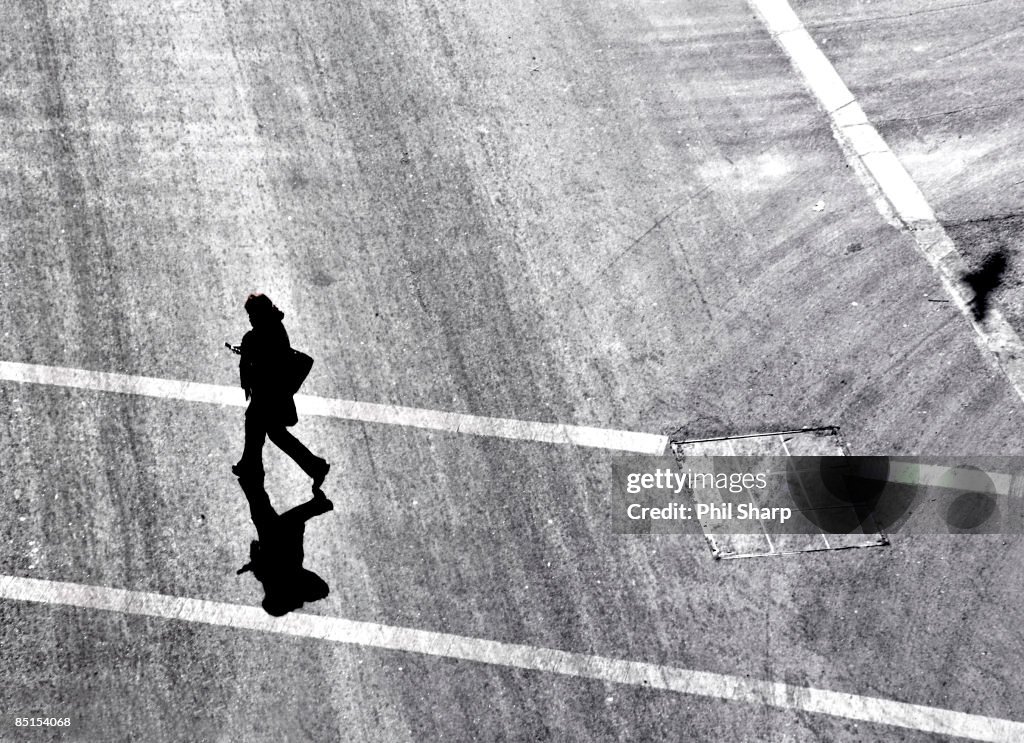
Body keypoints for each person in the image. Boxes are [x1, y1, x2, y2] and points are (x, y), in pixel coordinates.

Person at [232, 293, 330, 489]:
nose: (250, 319)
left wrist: (247, 350)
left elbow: (263, 359)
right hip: (274, 392)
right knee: (268, 431)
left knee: (260, 429)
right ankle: (253, 465)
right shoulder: (275, 327)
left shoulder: (256, 335)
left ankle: (253, 466)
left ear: (260, 314)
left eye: (252, 314)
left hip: (267, 393)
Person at [235, 475, 333, 616]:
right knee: (260, 502)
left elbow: (320, 588)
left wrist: (254, 560)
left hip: (280, 540)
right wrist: (254, 559)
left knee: (259, 501)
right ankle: (318, 505)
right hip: (279, 540)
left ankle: (318, 505)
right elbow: (258, 559)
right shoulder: (279, 582)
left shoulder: (281, 584)